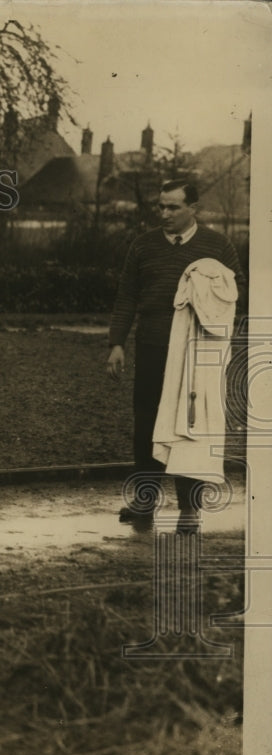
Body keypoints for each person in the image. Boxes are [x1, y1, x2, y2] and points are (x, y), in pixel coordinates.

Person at [107, 179, 245, 532]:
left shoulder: (218, 245)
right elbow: (126, 297)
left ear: (193, 209)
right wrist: (117, 343)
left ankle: (189, 509)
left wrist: (206, 290)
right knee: (147, 425)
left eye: (173, 207)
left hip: (196, 353)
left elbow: (236, 293)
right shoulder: (144, 245)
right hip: (153, 346)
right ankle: (145, 503)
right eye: (161, 206)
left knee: (191, 427)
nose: (164, 214)